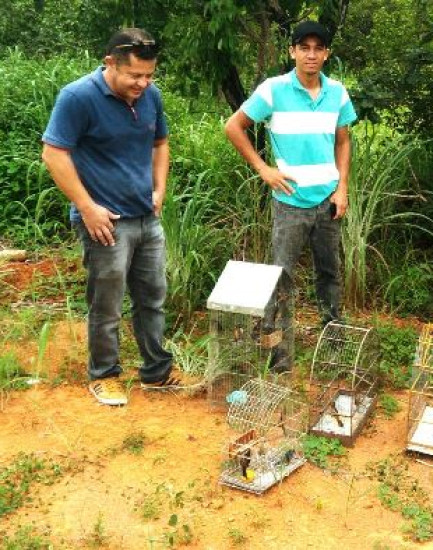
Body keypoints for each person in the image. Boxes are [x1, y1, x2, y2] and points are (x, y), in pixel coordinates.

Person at [42, 28, 189, 406]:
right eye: (135, 75)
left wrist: (160, 189)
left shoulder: (150, 96)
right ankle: (104, 375)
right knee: (107, 304)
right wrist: (88, 208)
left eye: (149, 75)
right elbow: (54, 154)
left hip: (146, 216)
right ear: (110, 63)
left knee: (153, 298)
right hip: (105, 222)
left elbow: (160, 143)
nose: (143, 82)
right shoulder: (78, 97)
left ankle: (156, 371)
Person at [224, 20, 357, 370]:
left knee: (329, 273)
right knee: (281, 276)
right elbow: (233, 126)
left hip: (327, 201)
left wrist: (342, 189)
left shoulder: (337, 93)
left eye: (318, 48)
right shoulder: (273, 90)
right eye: (304, 48)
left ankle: (333, 341)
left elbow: (343, 140)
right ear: (292, 52)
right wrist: (263, 168)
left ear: (326, 54)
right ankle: (278, 352)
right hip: (289, 203)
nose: (311, 55)